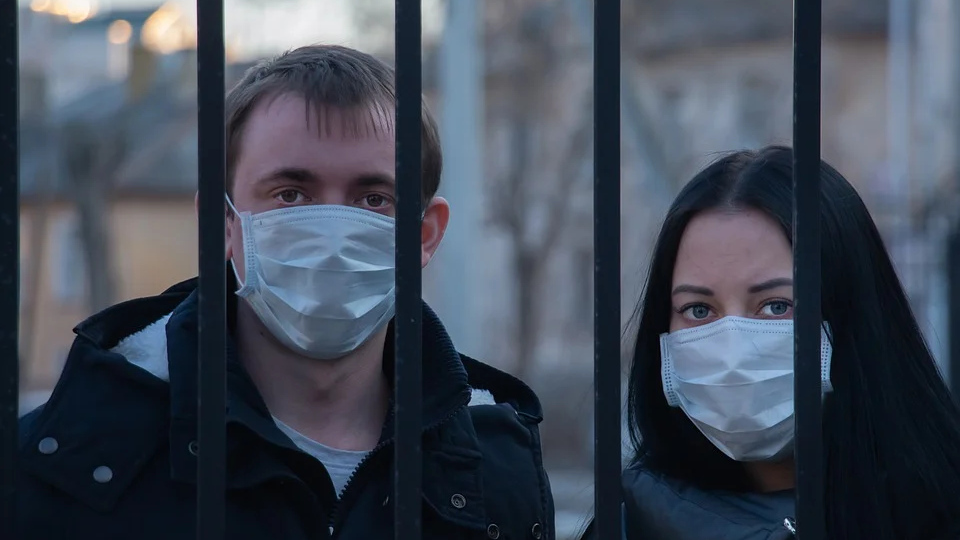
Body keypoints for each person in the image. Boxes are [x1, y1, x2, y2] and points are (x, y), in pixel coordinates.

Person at [17, 45, 554, 540]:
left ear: (424, 235)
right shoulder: (71, 465)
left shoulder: (496, 473)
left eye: (373, 199)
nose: (333, 238)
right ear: (222, 225)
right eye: (291, 194)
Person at [582, 145, 960, 540]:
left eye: (776, 305)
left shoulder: (936, 514)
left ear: (854, 310)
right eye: (698, 309)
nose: (732, 351)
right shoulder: (633, 523)